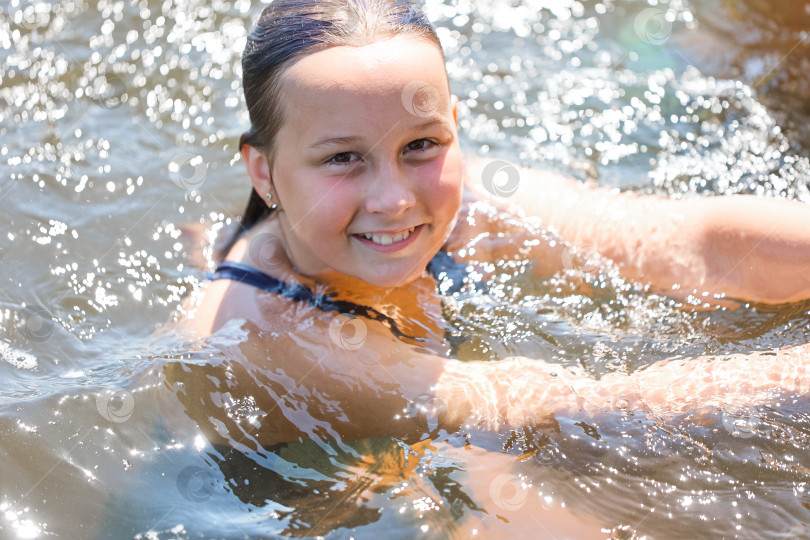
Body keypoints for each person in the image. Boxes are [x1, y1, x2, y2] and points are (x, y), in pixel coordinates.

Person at [169, 0, 809, 453]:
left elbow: (679, 242)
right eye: (343, 158)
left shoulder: (455, 194)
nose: (394, 199)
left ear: (452, 124)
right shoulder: (266, 331)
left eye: (421, 144)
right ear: (262, 170)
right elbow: (581, 411)